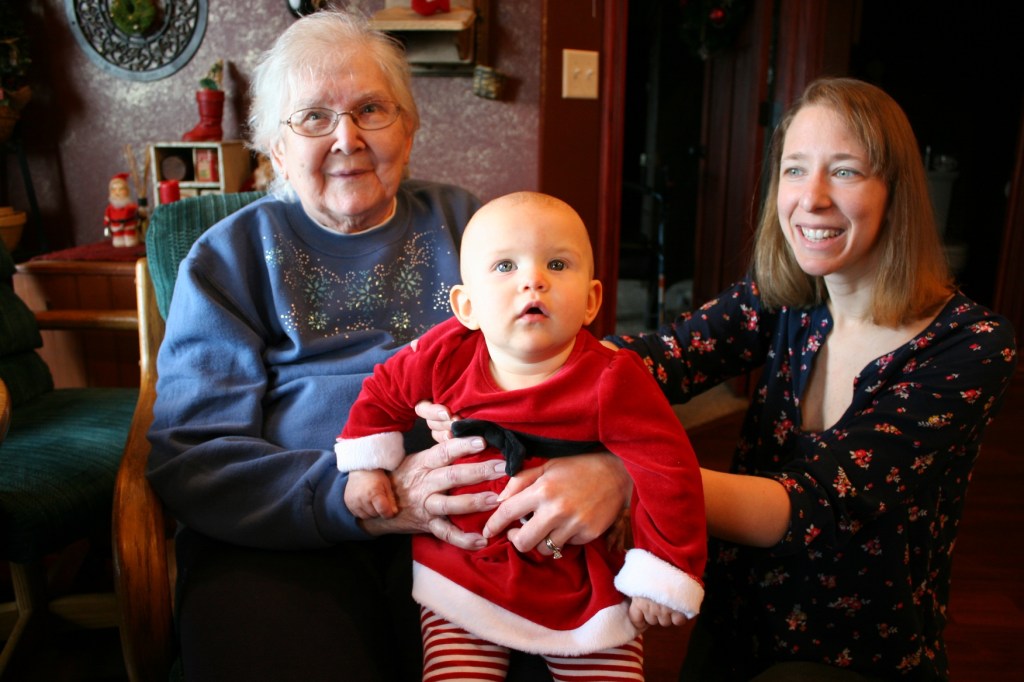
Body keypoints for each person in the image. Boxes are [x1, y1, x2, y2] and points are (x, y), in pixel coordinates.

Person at [145, 11, 631, 681]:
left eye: (371, 109)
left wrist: (612, 469)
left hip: (480, 527)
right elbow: (194, 458)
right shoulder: (229, 257)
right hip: (285, 534)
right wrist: (355, 498)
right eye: (313, 117)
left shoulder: (473, 228)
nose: (346, 138)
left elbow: (583, 369)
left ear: (408, 127)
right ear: (275, 148)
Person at [604, 77, 1018, 681]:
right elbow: (656, 359)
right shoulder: (788, 300)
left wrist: (622, 477)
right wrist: (522, 359)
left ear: (897, 191)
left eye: (845, 171)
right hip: (734, 625)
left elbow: (811, 503)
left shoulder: (972, 346)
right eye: (795, 169)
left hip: (862, 657)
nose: (812, 197)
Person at [336, 191, 707, 681]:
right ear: (466, 306)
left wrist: (661, 571)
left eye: (556, 264)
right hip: (463, 569)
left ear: (592, 300)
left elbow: (669, 471)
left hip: (580, 573)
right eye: (505, 267)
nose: (533, 280)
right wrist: (366, 464)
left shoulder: (614, 379)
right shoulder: (446, 353)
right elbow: (384, 390)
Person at [104, 172, 139, 247]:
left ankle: (130, 240)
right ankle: (119, 240)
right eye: (114, 190)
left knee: (130, 238)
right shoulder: (110, 208)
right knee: (118, 238)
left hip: (129, 225)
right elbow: (107, 217)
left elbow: (137, 211)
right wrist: (106, 224)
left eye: (120, 189)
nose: (117, 193)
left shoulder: (130, 206)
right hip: (116, 226)